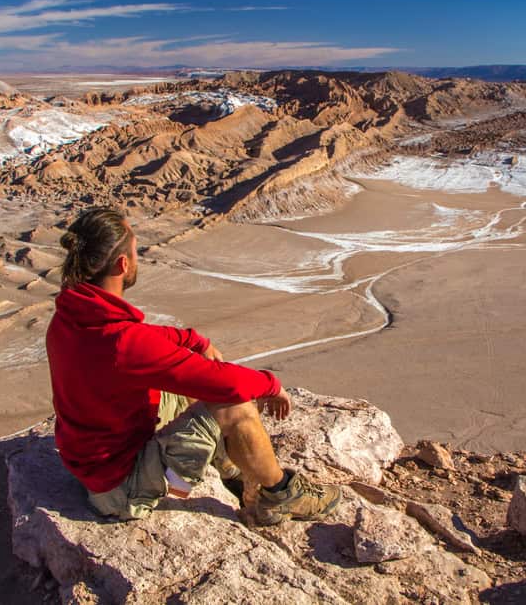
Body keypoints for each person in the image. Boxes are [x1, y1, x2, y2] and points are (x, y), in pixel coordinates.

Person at [45, 206, 341, 524]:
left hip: (96, 464)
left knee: (186, 381)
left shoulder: (70, 316)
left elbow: (140, 341)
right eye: (136, 251)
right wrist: (271, 385)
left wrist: (191, 340)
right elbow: (228, 384)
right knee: (234, 405)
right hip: (124, 493)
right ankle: (282, 495)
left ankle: (230, 471)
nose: (137, 259)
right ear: (123, 263)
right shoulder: (123, 343)